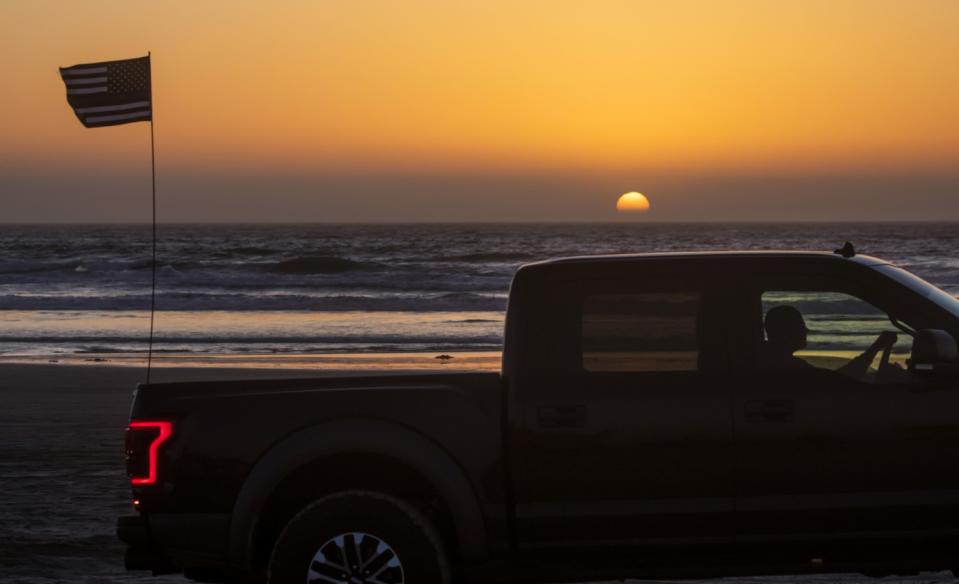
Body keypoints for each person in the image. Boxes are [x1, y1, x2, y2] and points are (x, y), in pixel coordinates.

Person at [761, 305, 898, 378]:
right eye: (800, 326)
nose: (806, 331)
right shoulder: (789, 367)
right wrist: (875, 348)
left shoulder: (772, 359)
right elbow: (838, 381)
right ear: (786, 330)